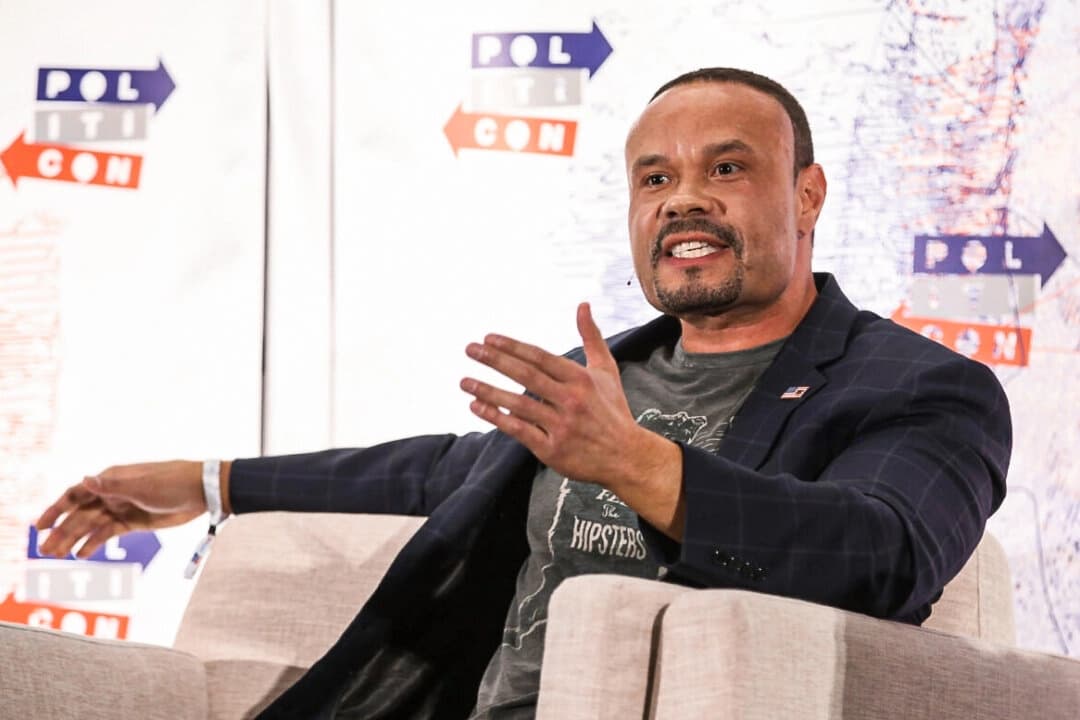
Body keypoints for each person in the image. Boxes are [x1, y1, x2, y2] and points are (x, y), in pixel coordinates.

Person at [35, 68, 1011, 719]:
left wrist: (643, 468)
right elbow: (434, 472)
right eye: (654, 177)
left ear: (806, 195)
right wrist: (205, 482)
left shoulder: (922, 388)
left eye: (728, 168)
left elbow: (884, 554)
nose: (682, 199)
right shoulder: (603, 377)